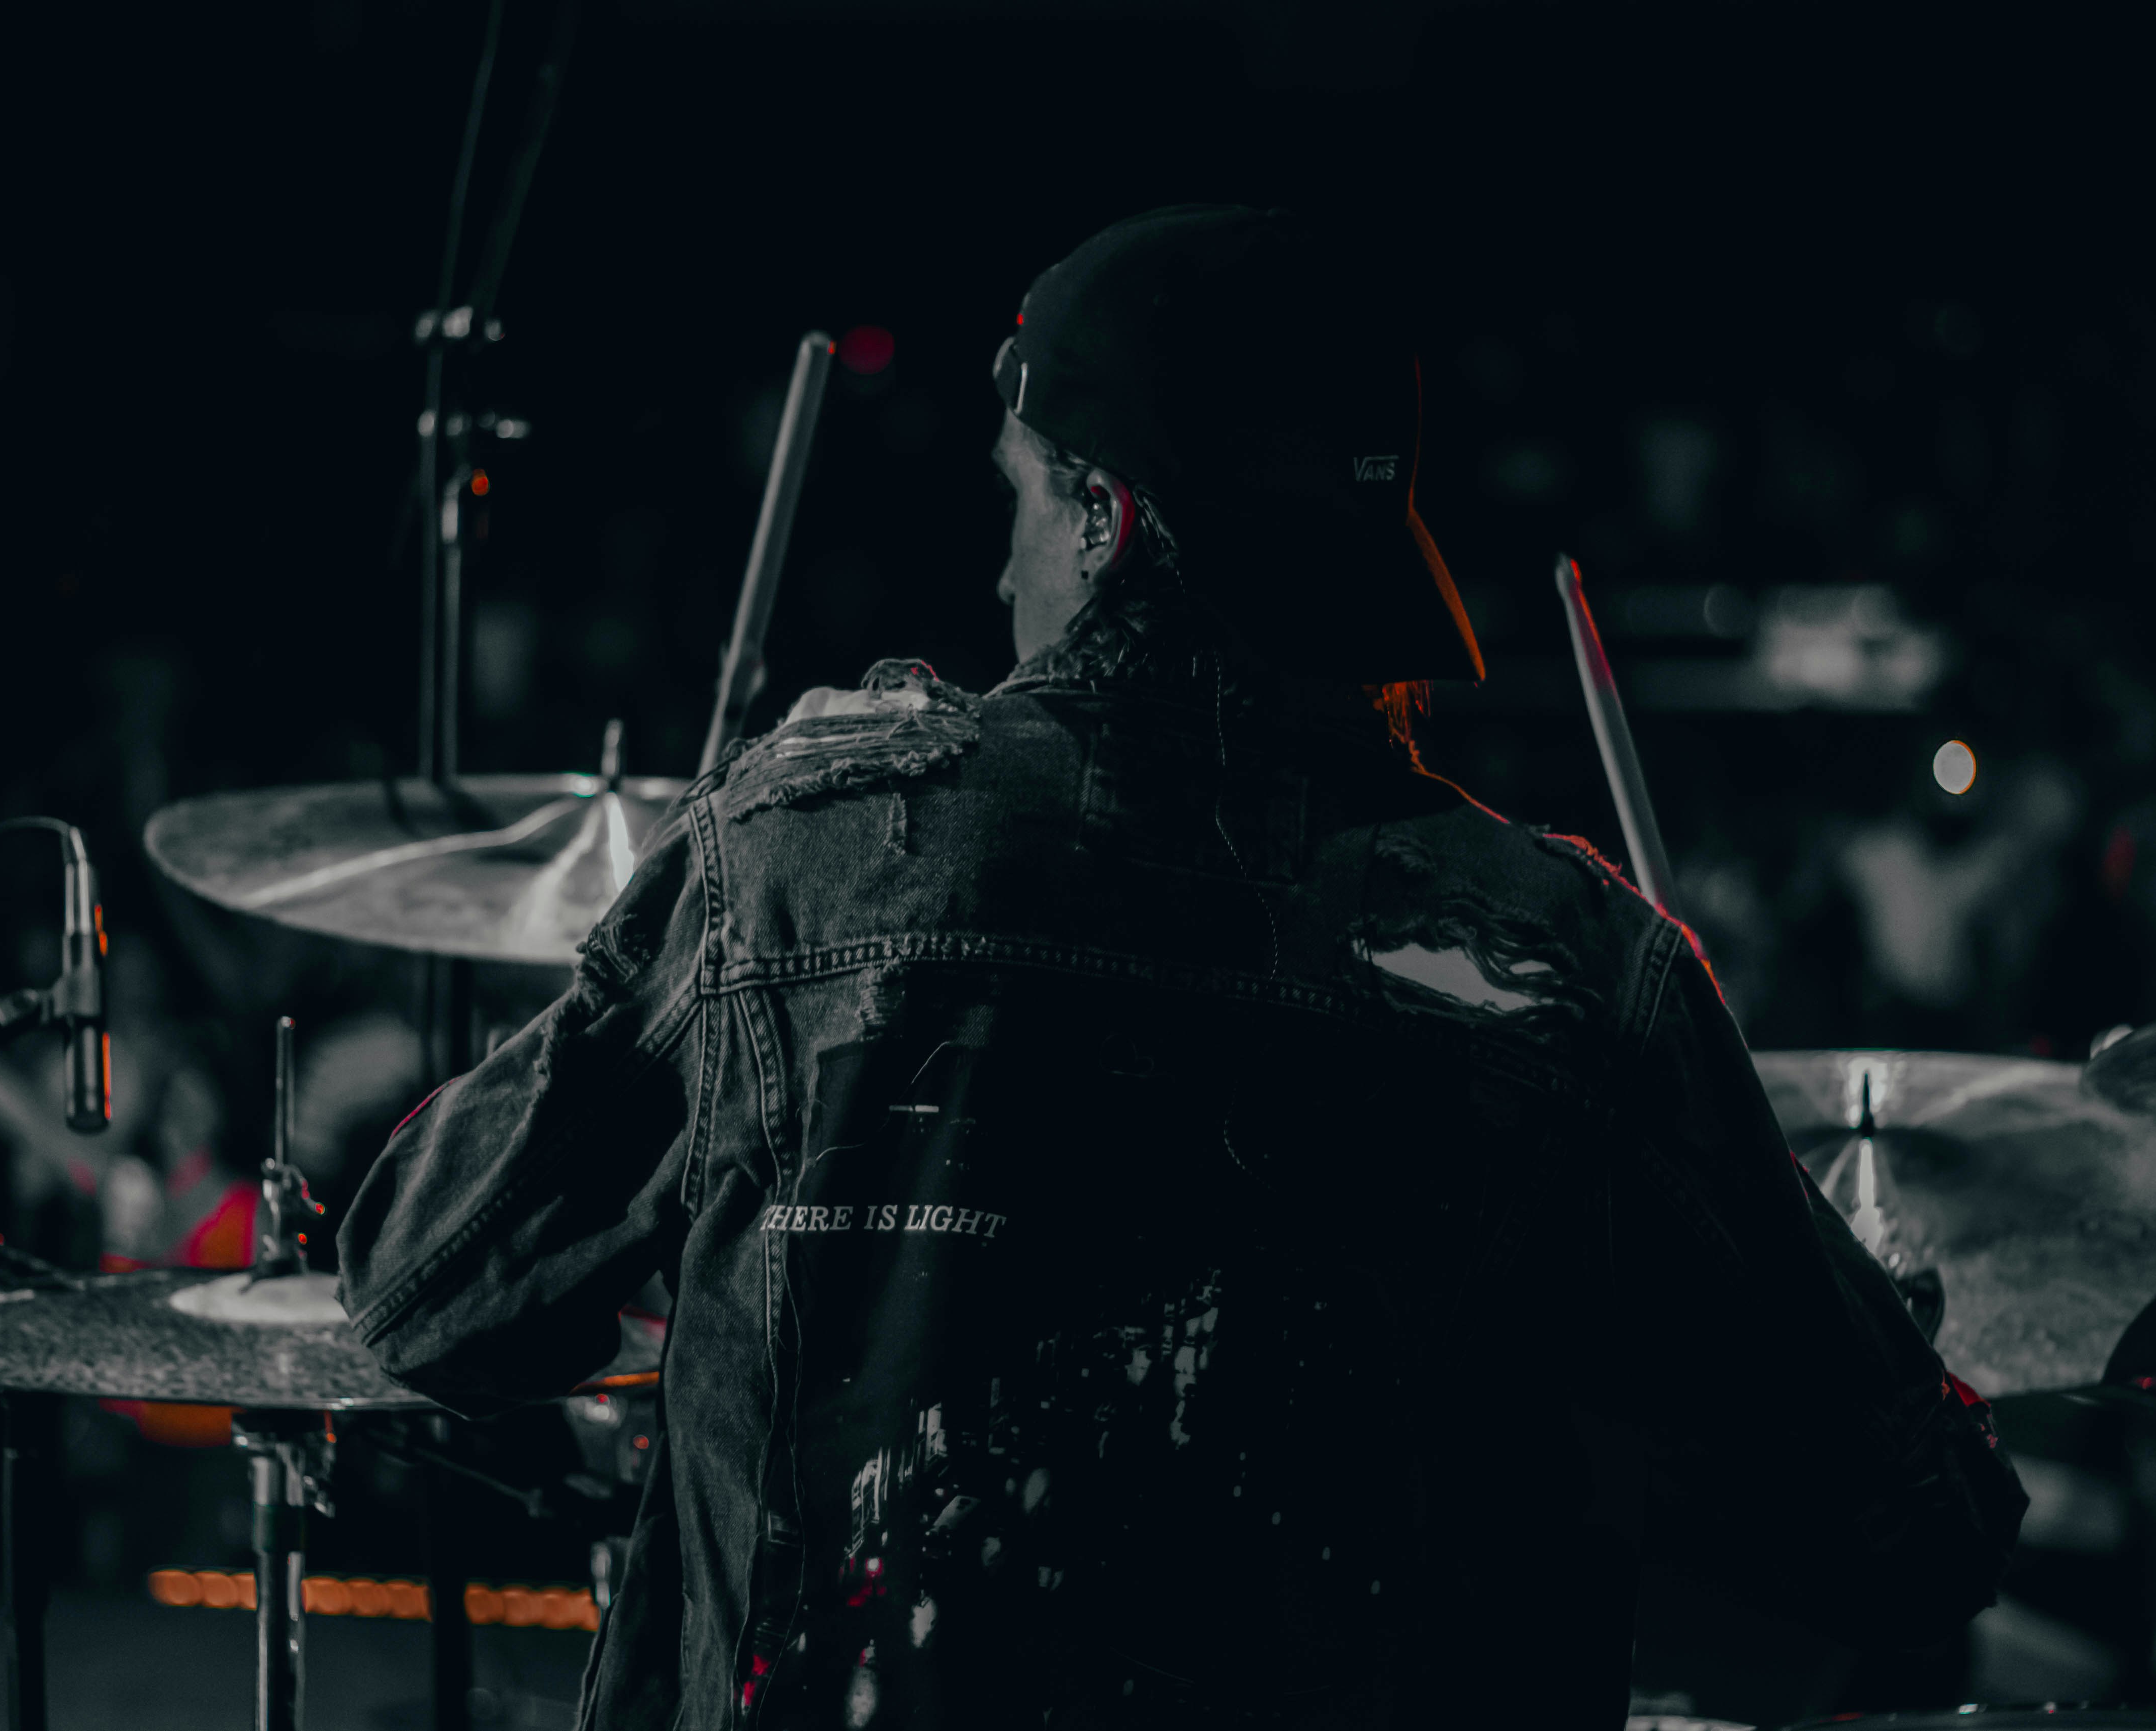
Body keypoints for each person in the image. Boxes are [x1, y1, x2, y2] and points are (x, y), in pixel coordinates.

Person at [338, 206, 2025, 1730]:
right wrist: (1875, 1335)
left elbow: (424, 1283)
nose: (999, 570)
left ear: (1106, 512)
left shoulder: (795, 862)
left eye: (1015, 497)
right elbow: (1920, 1538)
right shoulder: (1583, 966)